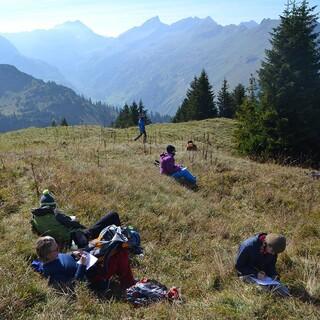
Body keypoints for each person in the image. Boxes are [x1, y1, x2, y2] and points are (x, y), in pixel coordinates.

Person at [35, 235, 135, 291]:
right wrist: (81, 264)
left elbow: (63, 257)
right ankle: (129, 284)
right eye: (56, 249)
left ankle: (125, 276)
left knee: (108, 242)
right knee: (120, 253)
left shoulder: (53, 256)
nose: (58, 249)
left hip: (88, 259)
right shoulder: (54, 272)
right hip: (94, 276)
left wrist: (72, 253)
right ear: (47, 255)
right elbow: (75, 284)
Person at [31, 189, 121, 248]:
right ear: (53, 206)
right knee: (113, 215)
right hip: (77, 239)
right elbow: (74, 224)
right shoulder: (56, 216)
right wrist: (84, 228)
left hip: (60, 242)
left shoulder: (35, 218)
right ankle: (121, 238)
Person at [235, 233, 290, 297]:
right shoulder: (248, 246)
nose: (273, 254)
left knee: (285, 291)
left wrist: (274, 275)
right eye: (272, 251)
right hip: (248, 274)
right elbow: (239, 266)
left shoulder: (274, 248)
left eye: (275, 253)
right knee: (264, 290)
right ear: (267, 244)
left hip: (264, 278)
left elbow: (271, 265)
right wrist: (256, 273)